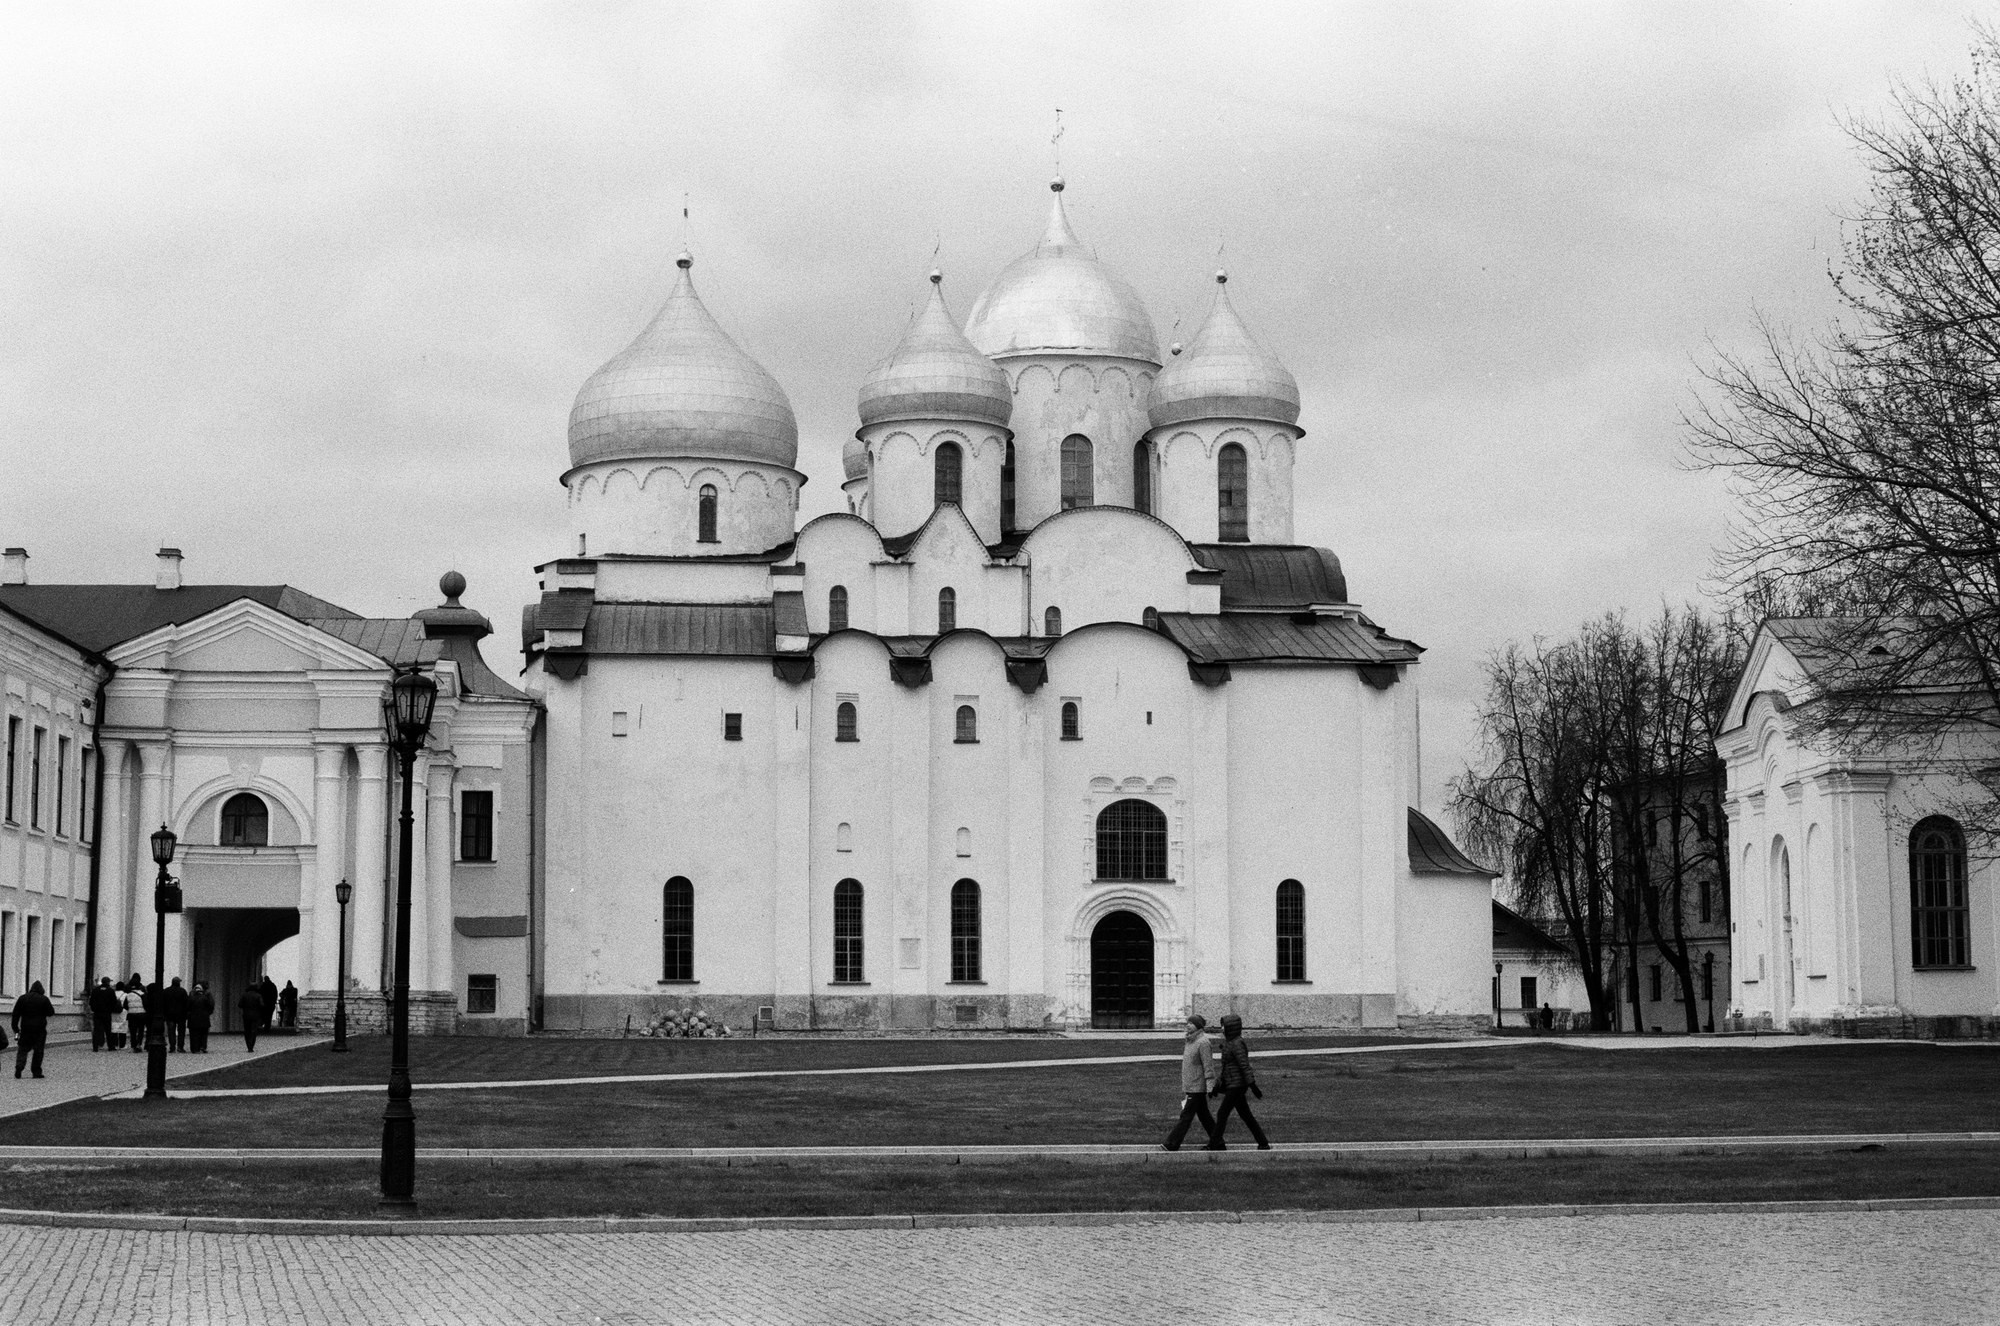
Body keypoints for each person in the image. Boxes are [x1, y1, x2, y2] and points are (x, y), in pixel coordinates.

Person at [1205, 1014, 1271, 1151]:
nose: (1222, 1028)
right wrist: (1216, 1087)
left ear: (1231, 1028)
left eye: (1224, 1026)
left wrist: (1253, 1086)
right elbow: (1227, 1069)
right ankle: (1263, 1143)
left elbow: (1244, 1065)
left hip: (1237, 1086)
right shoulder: (1230, 1043)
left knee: (1222, 1113)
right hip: (1234, 1084)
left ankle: (1214, 1144)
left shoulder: (1237, 1043)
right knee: (1246, 1115)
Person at [1161, 1013, 1219, 1151]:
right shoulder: (1190, 1041)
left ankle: (1172, 1144)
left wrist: (1210, 1085)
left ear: (1198, 1026)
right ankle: (1218, 1142)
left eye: (1191, 1023)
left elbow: (1208, 1066)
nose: (1188, 1025)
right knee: (1205, 1116)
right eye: (1188, 1022)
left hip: (1197, 1086)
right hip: (1191, 1084)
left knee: (1186, 1116)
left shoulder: (1203, 1042)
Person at [11, 981, 55, 1079]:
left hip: (25, 1029)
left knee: (22, 1049)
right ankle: (36, 1072)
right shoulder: (44, 999)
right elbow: (51, 1012)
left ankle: (19, 1067)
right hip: (39, 1030)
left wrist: (16, 1029)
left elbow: (15, 1014)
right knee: (38, 1051)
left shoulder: (22, 998)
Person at [88, 976, 120, 1052]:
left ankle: (95, 1047)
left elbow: (91, 1002)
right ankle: (110, 1046)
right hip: (107, 1013)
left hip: (97, 1013)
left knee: (96, 1031)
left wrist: (94, 1009)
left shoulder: (95, 990)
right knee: (108, 1030)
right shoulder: (110, 991)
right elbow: (114, 1002)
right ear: (108, 982)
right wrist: (111, 1009)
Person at [163, 977, 190, 1052]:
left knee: (171, 1032)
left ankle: (172, 1047)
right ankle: (180, 1047)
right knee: (181, 1032)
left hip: (170, 1014)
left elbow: (163, 1003)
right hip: (181, 1015)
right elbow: (186, 1003)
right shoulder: (182, 991)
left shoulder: (166, 991)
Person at [237, 983, 266, 1051]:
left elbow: (240, 1005)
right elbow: (262, 1005)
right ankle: (251, 1046)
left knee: (247, 1030)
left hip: (246, 1015)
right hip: (255, 1015)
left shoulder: (244, 995)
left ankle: (248, 1045)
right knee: (253, 1031)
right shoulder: (258, 996)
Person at [188, 982, 215, 1053]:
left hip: (193, 1019)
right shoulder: (205, 998)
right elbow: (210, 1006)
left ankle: (194, 1048)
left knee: (194, 1035)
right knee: (203, 1034)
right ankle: (202, 1046)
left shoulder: (191, 998)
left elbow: (187, 1008)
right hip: (204, 1018)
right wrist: (208, 1013)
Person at [122, 980, 146, 1054]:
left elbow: (125, 1005)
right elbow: (146, 1004)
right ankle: (139, 1044)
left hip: (132, 1014)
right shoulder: (143, 994)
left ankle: (133, 1045)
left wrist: (131, 1008)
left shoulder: (128, 995)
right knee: (141, 1030)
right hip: (141, 1014)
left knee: (133, 1031)